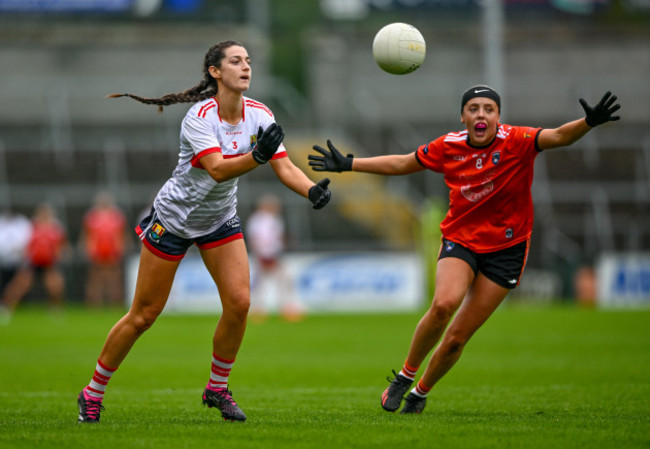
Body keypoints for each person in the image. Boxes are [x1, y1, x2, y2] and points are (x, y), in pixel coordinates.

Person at [309, 86, 620, 414]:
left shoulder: (517, 140)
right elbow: (404, 163)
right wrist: (350, 164)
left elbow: (559, 136)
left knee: (457, 337)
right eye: (473, 108)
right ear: (463, 116)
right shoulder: (449, 146)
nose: (481, 114)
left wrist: (588, 122)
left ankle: (420, 393)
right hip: (462, 239)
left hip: (507, 249)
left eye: (488, 109)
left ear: (498, 117)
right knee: (444, 304)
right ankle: (404, 376)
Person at [77, 40, 332, 424]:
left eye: (248, 60)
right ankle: (92, 392)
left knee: (240, 303)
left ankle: (217, 389)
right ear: (215, 72)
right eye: (235, 61)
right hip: (174, 220)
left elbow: (285, 167)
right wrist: (256, 157)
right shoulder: (199, 117)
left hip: (218, 220)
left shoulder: (260, 114)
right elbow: (216, 169)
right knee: (144, 315)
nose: (246, 67)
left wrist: (311, 189)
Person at [0, 203, 70, 319]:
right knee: (19, 286)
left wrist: (62, 254)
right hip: (33, 262)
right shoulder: (31, 226)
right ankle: (6, 307)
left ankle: (55, 309)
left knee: (56, 286)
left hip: (49, 263)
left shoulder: (56, 228)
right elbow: (25, 244)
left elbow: (62, 245)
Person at [246, 193, 303, 322]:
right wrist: (264, 255)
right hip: (267, 255)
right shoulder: (260, 220)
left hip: (273, 254)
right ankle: (261, 309)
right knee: (265, 283)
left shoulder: (271, 219)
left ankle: (281, 307)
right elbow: (258, 239)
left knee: (275, 281)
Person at [79, 191, 131, 308]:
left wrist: (121, 248)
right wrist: (88, 249)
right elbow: (87, 235)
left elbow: (122, 234)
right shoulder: (91, 216)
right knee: (96, 279)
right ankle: (95, 304)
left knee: (114, 279)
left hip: (113, 252)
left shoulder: (117, 216)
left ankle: (115, 303)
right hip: (97, 252)